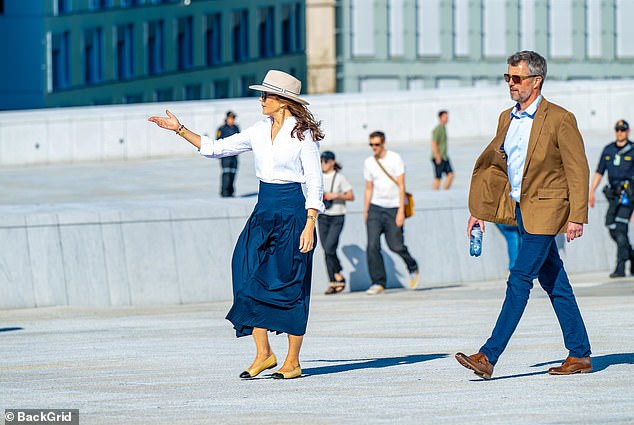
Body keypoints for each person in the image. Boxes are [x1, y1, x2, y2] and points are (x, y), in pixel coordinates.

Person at [148, 70, 324, 380]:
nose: (261, 99)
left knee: (290, 285)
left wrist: (310, 222)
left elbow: (314, 180)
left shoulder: (302, 134)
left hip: (294, 212)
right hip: (263, 211)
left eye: (266, 95)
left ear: (283, 101)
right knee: (244, 272)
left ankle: (292, 362)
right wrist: (179, 130)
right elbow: (215, 148)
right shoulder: (258, 130)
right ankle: (264, 353)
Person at [456, 51, 592, 379]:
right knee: (554, 280)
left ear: (536, 81)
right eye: (508, 78)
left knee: (519, 279)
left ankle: (489, 355)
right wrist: (479, 211)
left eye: (516, 79)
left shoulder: (560, 118)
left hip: (548, 210)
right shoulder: (507, 118)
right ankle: (580, 354)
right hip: (520, 211)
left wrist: (577, 215)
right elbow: (497, 170)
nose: (511, 84)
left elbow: (578, 169)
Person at [363, 131, 419, 295]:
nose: (374, 148)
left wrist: (401, 211)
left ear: (384, 143)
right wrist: (366, 211)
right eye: (371, 145)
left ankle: (412, 265)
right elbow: (368, 188)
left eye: (377, 145)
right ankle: (378, 282)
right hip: (375, 208)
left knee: (396, 246)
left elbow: (402, 185)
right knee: (372, 245)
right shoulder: (368, 162)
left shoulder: (395, 158)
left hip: (393, 208)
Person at [589, 119, 634, 278]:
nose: (620, 132)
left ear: (627, 131)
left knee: (621, 229)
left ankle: (620, 267)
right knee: (611, 226)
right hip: (613, 196)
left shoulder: (632, 150)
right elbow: (599, 171)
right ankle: (632, 256)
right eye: (617, 130)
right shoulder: (608, 150)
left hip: (628, 196)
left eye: (623, 130)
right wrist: (592, 191)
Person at [319, 150, 355, 295]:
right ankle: (334, 281)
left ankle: (337, 273)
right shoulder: (319, 177)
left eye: (326, 161)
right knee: (326, 250)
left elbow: (352, 196)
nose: (323, 164)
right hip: (323, 216)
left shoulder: (340, 177)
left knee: (329, 247)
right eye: (321, 160)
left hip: (337, 216)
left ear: (332, 162)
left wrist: (336, 195)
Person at [216, 111, 240, 197]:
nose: (233, 120)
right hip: (225, 155)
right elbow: (218, 140)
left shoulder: (236, 128)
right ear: (227, 118)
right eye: (231, 118)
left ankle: (231, 191)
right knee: (226, 173)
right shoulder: (222, 129)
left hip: (234, 156)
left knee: (233, 173)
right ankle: (224, 192)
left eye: (234, 118)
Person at [431, 110, 454, 190]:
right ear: (440, 118)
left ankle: (444, 192)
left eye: (447, 117)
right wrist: (437, 156)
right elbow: (434, 143)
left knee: (451, 174)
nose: (447, 119)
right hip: (439, 157)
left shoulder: (443, 128)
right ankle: (435, 194)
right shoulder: (438, 129)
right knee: (438, 178)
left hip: (444, 156)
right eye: (445, 117)